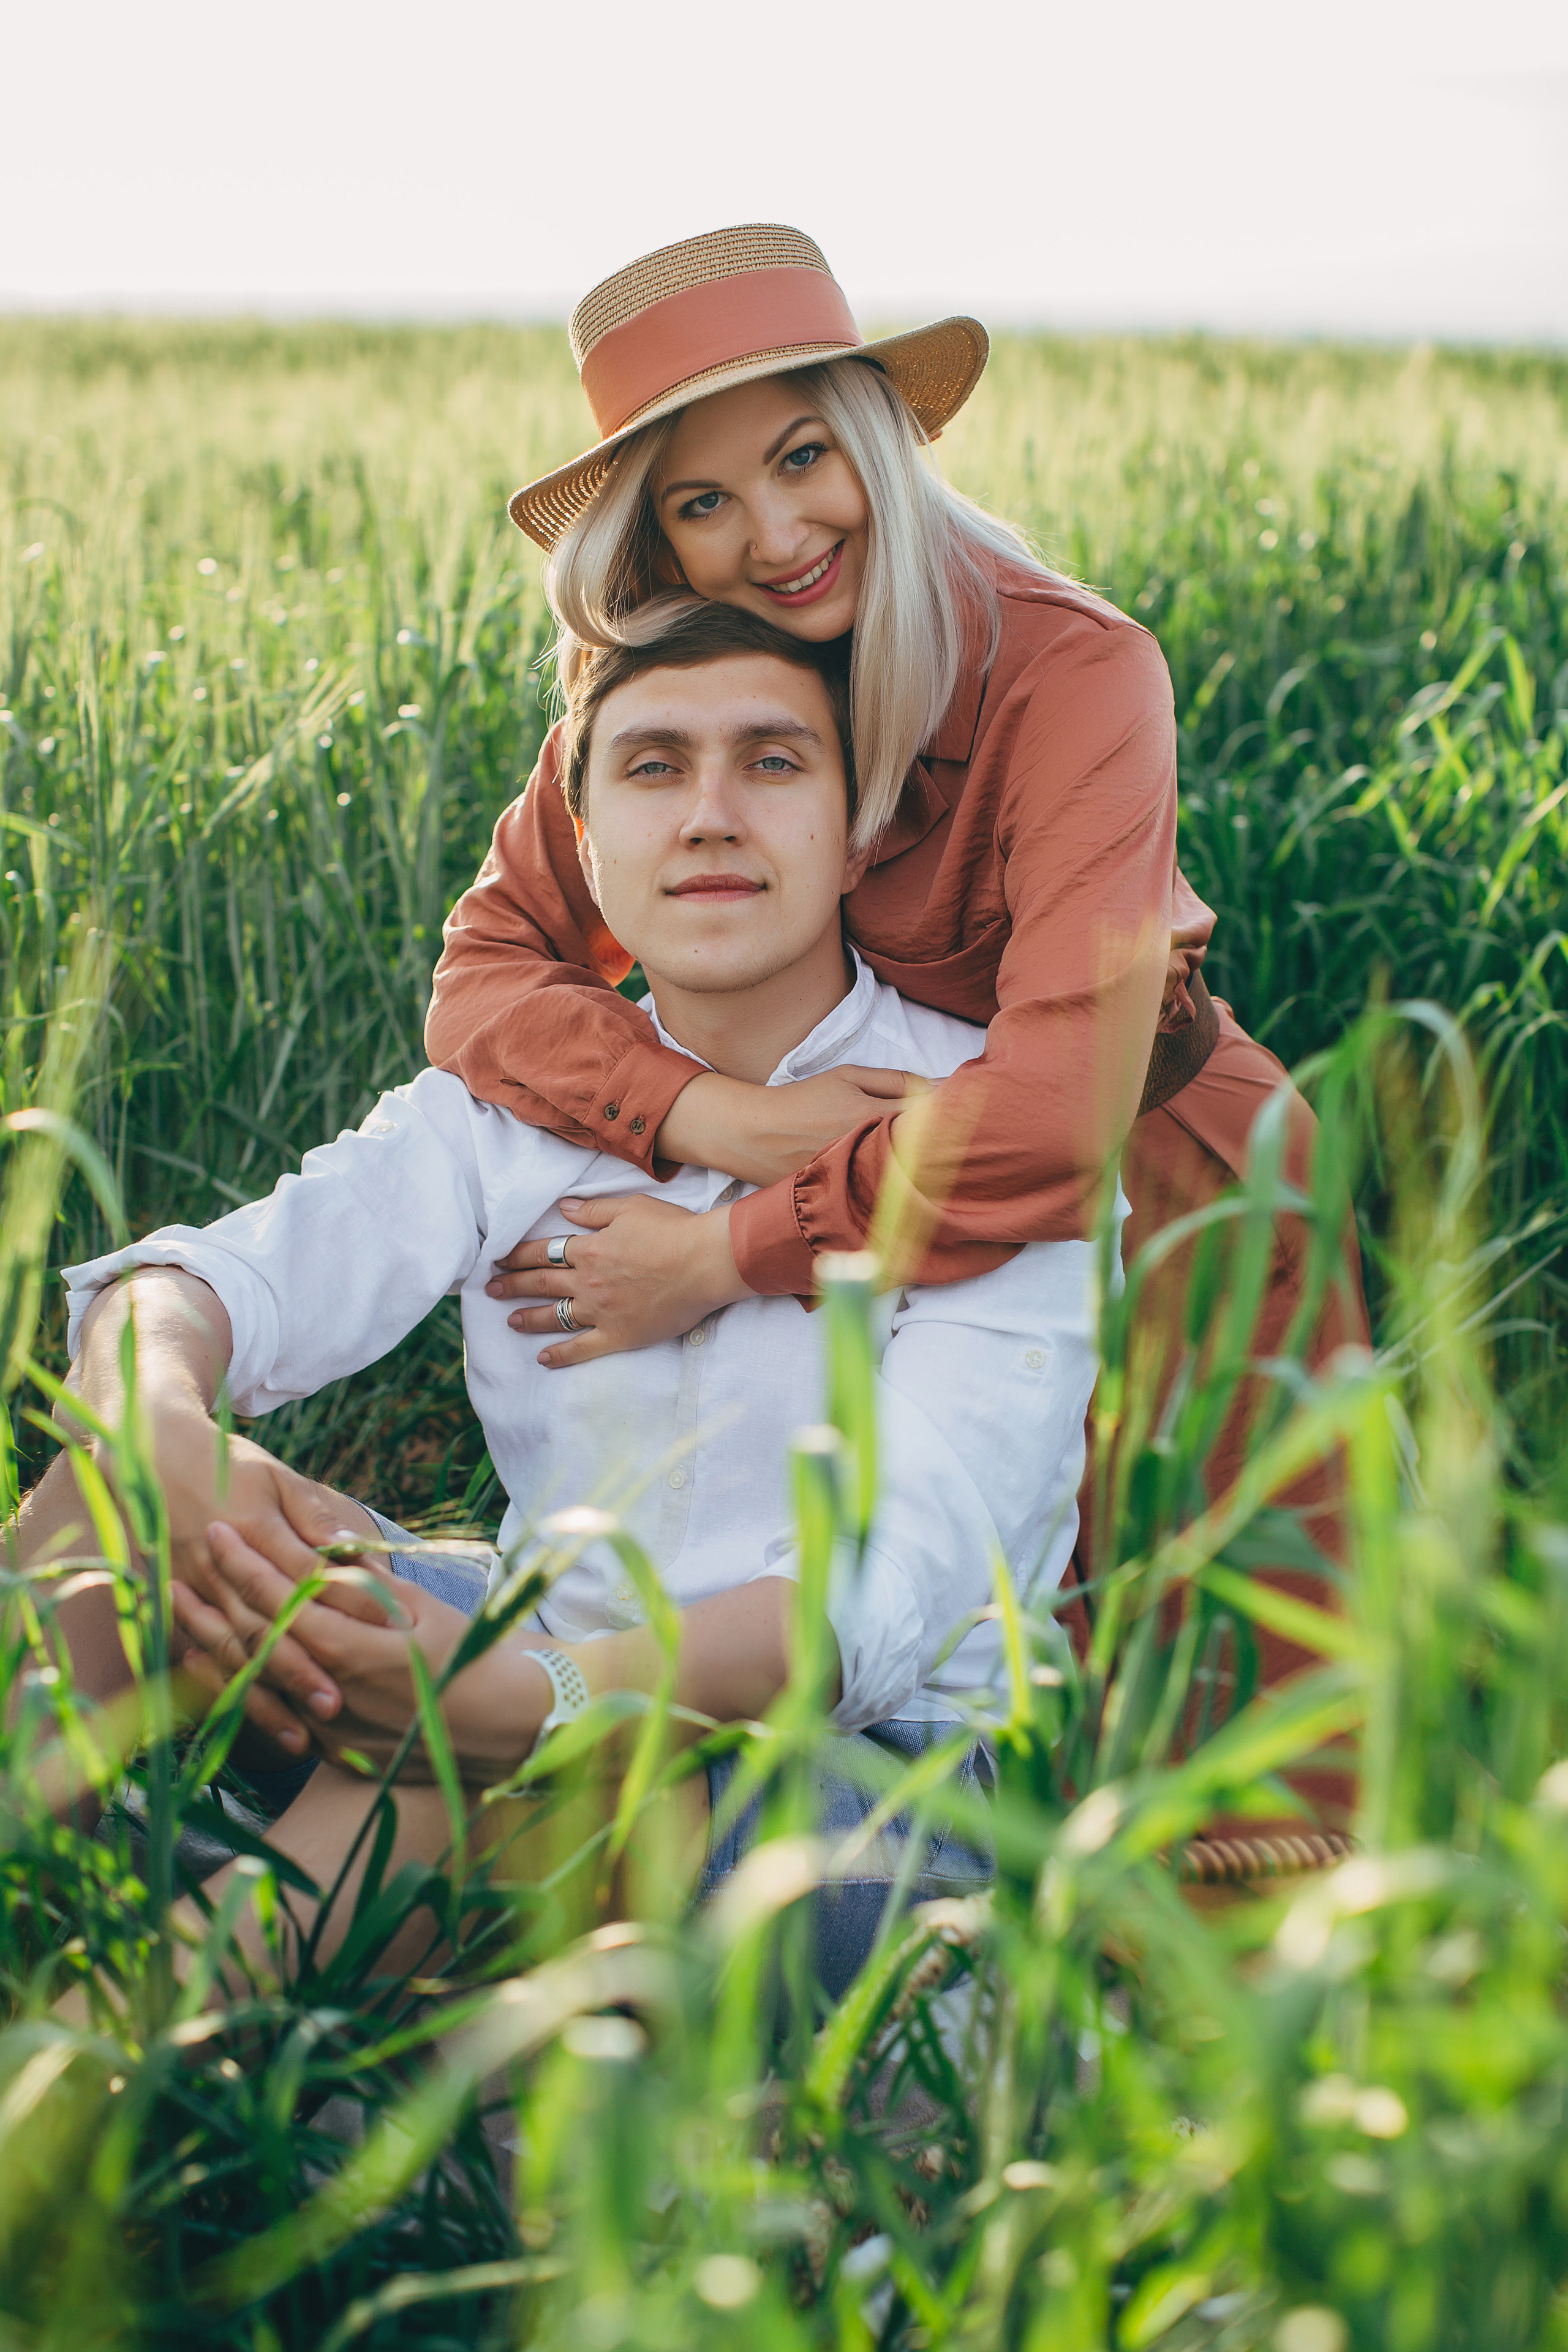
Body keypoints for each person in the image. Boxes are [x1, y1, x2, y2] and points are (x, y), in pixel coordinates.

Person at [423, 223, 1370, 1820]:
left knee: (1219, 1738)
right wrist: (705, 1119)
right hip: (873, 1183)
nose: (776, 536)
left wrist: (728, 1246)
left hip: (1170, 1186)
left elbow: (1064, 1112)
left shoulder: (1072, 671)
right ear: (653, 537)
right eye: (700, 502)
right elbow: (488, 970)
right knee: (940, 1668)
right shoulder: (688, 666)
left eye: (803, 458)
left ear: (871, 432)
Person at [26, 603, 1112, 1994]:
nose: (710, 816)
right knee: (104, 1504)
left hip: (872, 1802)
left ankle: (125, 2061)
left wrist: (528, 1696)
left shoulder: (985, 1125)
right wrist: (163, 1429)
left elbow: (868, 1610)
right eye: (654, 768)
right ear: (587, 848)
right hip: (532, 1660)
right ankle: (51, 1916)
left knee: (516, 1761)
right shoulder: (523, 1099)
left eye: (771, 764)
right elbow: (207, 1281)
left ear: (858, 832)